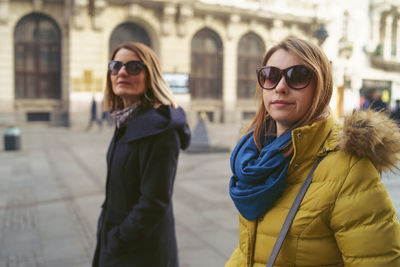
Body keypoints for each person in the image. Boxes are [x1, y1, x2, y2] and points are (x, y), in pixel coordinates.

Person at [226, 37, 400, 266]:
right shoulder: (254, 156)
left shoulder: (349, 169)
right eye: (270, 75)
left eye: (296, 76)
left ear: (321, 86)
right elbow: (249, 251)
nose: (280, 87)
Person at [92, 42, 190, 267]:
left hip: (141, 251)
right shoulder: (124, 121)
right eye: (115, 66)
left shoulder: (159, 129)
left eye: (134, 66)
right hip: (118, 240)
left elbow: (154, 202)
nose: (122, 72)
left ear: (150, 75)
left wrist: (118, 239)